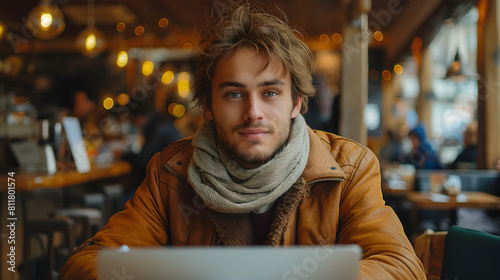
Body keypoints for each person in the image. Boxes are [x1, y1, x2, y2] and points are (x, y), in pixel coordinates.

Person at [59, 3, 425, 279]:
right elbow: (87, 263)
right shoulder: (170, 173)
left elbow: (400, 266)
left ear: (296, 102)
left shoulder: (348, 169)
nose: (253, 112)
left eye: (269, 93)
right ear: (208, 106)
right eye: (234, 94)